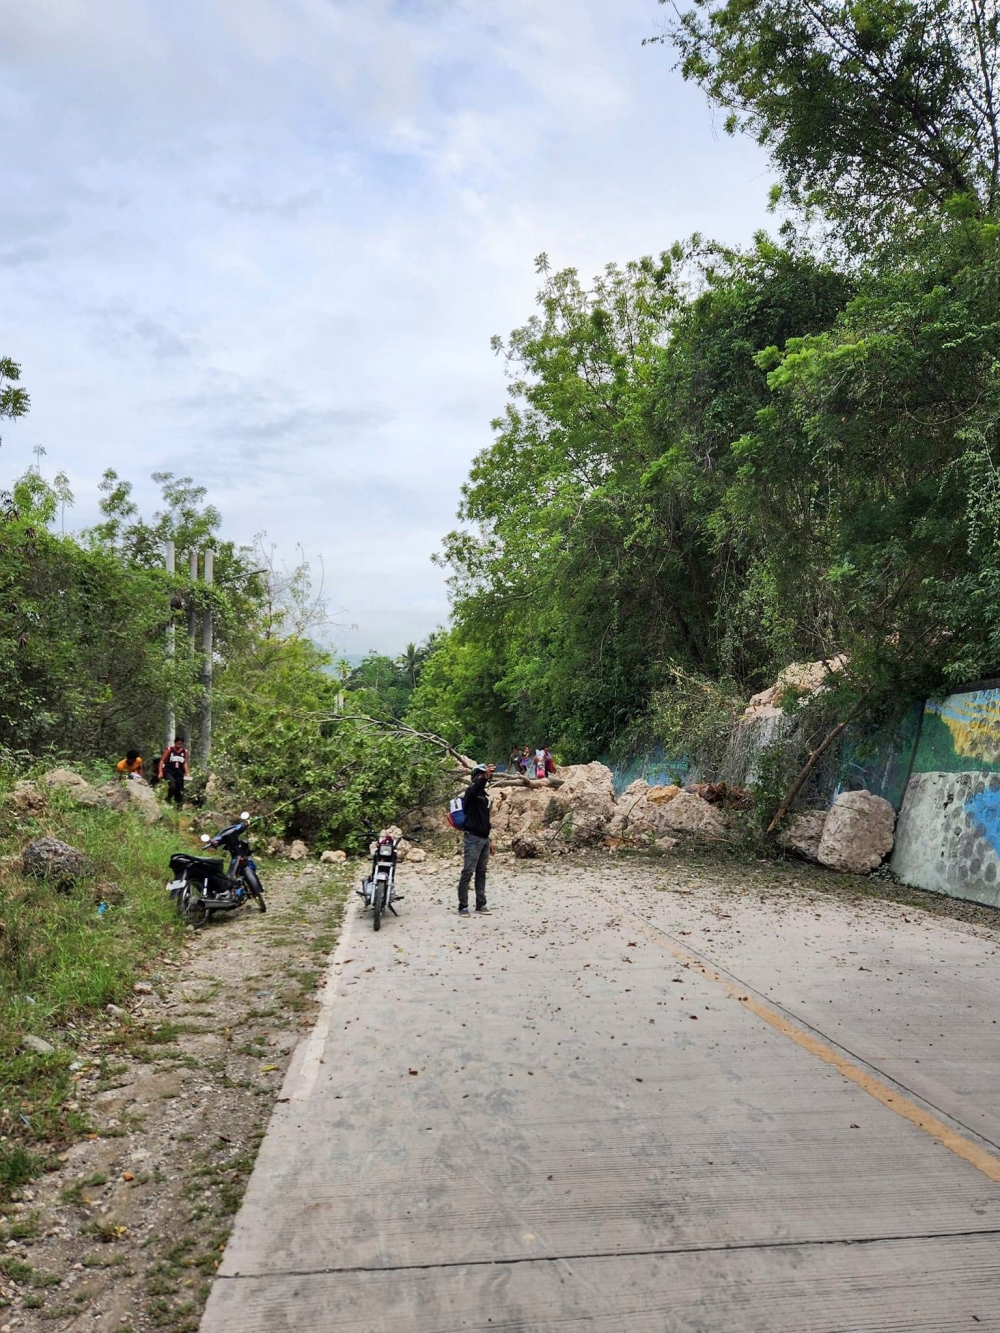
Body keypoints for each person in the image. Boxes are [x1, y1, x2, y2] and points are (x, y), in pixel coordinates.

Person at [457, 763, 495, 917]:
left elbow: (485, 819)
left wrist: (489, 840)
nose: (484, 778)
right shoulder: (471, 793)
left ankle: (481, 904)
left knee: (481, 872)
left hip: (484, 839)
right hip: (472, 838)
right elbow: (474, 790)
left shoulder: (485, 797)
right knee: (468, 872)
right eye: (481, 775)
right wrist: (483, 779)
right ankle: (463, 906)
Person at [158, 737, 190, 807]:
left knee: (179, 792)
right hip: (169, 771)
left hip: (179, 773)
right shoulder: (169, 750)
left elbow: (185, 763)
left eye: (180, 744)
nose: (179, 746)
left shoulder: (185, 751)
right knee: (172, 785)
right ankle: (168, 798)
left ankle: (178, 808)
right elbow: (162, 760)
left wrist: (187, 773)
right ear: (175, 743)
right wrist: (160, 771)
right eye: (177, 744)